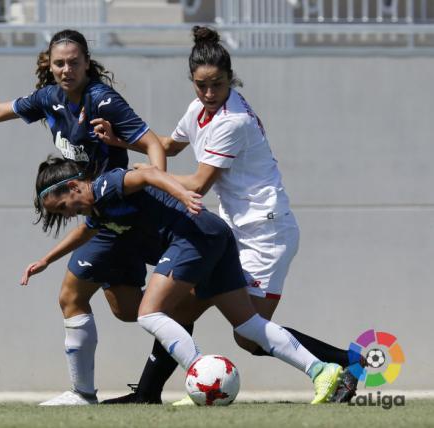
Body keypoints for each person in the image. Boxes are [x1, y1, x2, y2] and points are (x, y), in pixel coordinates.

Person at [0, 29, 170, 405]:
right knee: (128, 311)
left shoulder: (102, 100)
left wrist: (160, 180)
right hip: (104, 219)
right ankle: (183, 317)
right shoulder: (50, 98)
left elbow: (154, 142)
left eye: (74, 62)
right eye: (59, 63)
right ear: (49, 65)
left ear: (87, 63)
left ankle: (84, 393)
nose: (67, 69)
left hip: (123, 213)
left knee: (72, 296)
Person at [91, 26, 358, 405]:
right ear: (193, 82)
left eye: (217, 84)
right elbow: (169, 145)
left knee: (248, 334)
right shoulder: (199, 109)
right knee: (184, 306)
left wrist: (143, 178)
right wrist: (121, 140)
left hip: (266, 232)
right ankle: (148, 393)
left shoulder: (233, 121)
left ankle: (345, 365)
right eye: (201, 85)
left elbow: (197, 185)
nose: (209, 93)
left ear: (230, 78)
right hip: (234, 228)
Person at [22, 156, 343, 405]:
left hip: (193, 236)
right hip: (214, 234)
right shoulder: (99, 210)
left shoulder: (107, 185)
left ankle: (202, 374)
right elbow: (86, 231)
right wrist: (47, 260)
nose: (68, 213)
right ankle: (323, 371)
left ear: (76, 186)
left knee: (149, 312)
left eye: (65, 206)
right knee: (247, 325)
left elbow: (148, 174)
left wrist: (183, 195)